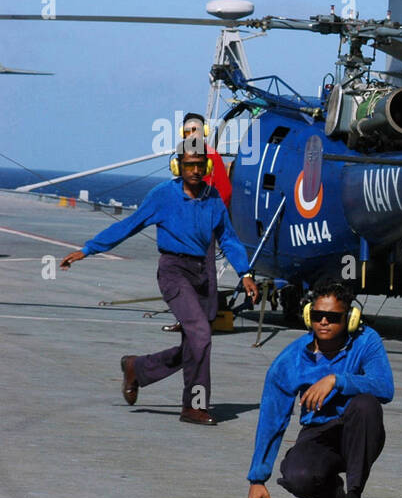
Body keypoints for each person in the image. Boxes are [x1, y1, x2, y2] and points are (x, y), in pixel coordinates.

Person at [60, 140, 257, 424]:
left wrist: (246, 273)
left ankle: (137, 368)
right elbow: (128, 226)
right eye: (189, 164)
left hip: (204, 273)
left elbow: (228, 238)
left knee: (195, 345)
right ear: (179, 166)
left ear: (208, 166)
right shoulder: (162, 195)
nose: (195, 170)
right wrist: (88, 249)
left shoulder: (213, 198)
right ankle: (194, 407)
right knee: (200, 335)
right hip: (174, 270)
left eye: (200, 164)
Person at [239, 281, 393, 498]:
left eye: (332, 317)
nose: (323, 322)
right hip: (318, 433)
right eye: (318, 315)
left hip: (360, 433)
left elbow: (385, 387)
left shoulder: (366, 341)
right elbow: (272, 418)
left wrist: (336, 380)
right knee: (298, 476)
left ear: (350, 319)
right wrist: (257, 478)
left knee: (365, 405)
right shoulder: (292, 358)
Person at [163, 114, 233, 333]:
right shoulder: (182, 158)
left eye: (194, 130)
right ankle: (186, 318)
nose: (190, 134)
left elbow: (225, 191)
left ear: (203, 133)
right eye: (186, 132)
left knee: (205, 274)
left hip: (203, 226)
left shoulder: (212, 158)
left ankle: (206, 318)